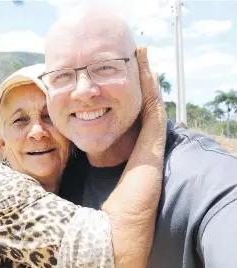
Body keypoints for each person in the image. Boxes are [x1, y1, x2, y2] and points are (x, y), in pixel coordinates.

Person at [40, 4, 237, 268]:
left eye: (105, 67)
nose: (84, 91)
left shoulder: (208, 179)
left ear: (142, 70)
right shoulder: (50, 180)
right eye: (62, 75)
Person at [0, 55, 166, 268]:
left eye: (49, 116)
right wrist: (154, 111)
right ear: (0, 143)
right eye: (20, 120)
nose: (37, 131)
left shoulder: (71, 185)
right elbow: (117, 255)